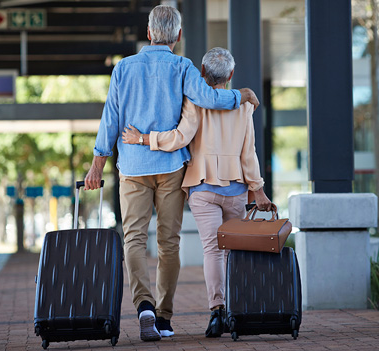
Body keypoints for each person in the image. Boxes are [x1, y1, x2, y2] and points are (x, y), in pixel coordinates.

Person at [84, 5, 260, 342]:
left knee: (133, 239)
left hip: (133, 168)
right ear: (178, 36)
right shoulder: (183, 67)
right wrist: (240, 95)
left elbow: (111, 116)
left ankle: (144, 305)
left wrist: (97, 163)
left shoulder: (124, 68)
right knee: (168, 243)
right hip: (171, 169)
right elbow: (208, 98)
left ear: (149, 33)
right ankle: (163, 318)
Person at [122, 47, 272, 338]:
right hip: (237, 187)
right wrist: (258, 189)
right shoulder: (244, 106)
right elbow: (248, 153)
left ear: (201, 73)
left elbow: (180, 138)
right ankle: (234, 312)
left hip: (202, 186)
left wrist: (143, 138)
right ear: (230, 75)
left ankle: (216, 311)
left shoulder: (194, 102)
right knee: (232, 251)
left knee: (212, 250)